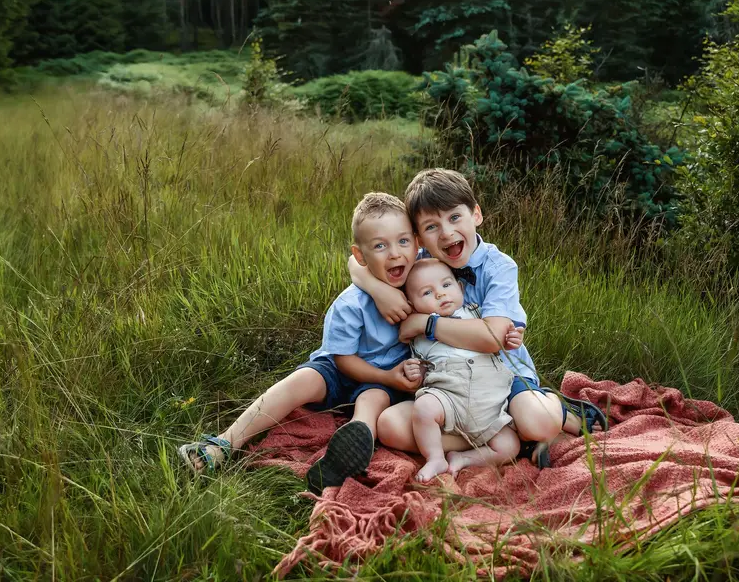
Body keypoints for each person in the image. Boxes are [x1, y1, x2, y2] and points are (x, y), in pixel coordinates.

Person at [350, 169, 608, 468]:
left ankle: (560, 413)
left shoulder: (499, 267)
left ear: (476, 214)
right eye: (432, 226)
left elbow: (492, 338)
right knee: (391, 427)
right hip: (447, 384)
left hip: (505, 377)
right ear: (419, 238)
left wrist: (426, 324)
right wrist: (377, 290)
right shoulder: (419, 261)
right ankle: (509, 440)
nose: (446, 233)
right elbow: (357, 262)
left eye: (454, 217)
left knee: (537, 421)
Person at [178, 192, 421, 493]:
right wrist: (387, 375)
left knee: (372, 401)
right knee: (301, 380)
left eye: (403, 242)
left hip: (382, 383)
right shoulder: (350, 304)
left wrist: (389, 379)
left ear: (416, 243)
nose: (395, 254)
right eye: (380, 246)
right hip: (342, 368)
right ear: (360, 256)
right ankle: (224, 444)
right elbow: (343, 360)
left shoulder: (422, 278)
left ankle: (348, 451)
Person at [401, 258, 519, 482]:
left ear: (460, 287)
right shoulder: (418, 336)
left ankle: (464, 458)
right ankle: (435, 457)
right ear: (412, 303)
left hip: (490, 405)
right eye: (427, 293)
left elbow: (499, 339)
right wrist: (414, 372)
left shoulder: (477, 316)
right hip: (448, 399)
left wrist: (512, 339)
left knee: (510, 446)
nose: (440, 294)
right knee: (424, 407)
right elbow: (421, 373)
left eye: (446, 285)